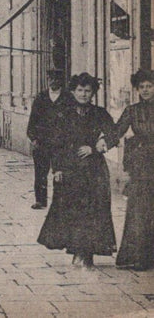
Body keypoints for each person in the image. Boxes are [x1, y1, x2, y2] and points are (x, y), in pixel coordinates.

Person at [37, 73, 117, 269]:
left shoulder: (100, 113)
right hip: (70, 168)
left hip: (94, 169)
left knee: (93, 210)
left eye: (87, 91)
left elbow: (113, 133)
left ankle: (87, 252)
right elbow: (55, 143)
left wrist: (98, 145)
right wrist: (57, 168)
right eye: (79, 90)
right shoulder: (62, 114)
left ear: (93, 93)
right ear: (72, 91)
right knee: (72, 209)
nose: (83, 94)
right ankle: (76, 250)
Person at [102, 68, 154, 271]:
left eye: (149, 86)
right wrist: (104, 143)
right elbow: (117, 130)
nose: (146, 90)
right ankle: (138, 257)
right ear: (137, 89)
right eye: (142, 87)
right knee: (138, 211)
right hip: (141, 166)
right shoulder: (132, 111)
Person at [27, 68, 71, 209]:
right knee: (40, 173)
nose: (53, 82)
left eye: (56, 79)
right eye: (51, 79)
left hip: (61, 143)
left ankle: (61, 201)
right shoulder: (41, 98)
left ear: (61, 81)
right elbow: (33, 120)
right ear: (47, 80)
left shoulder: (67, 98)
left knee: (61, 172)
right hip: (42, 142)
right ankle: (40, 200)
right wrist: (33, 138)